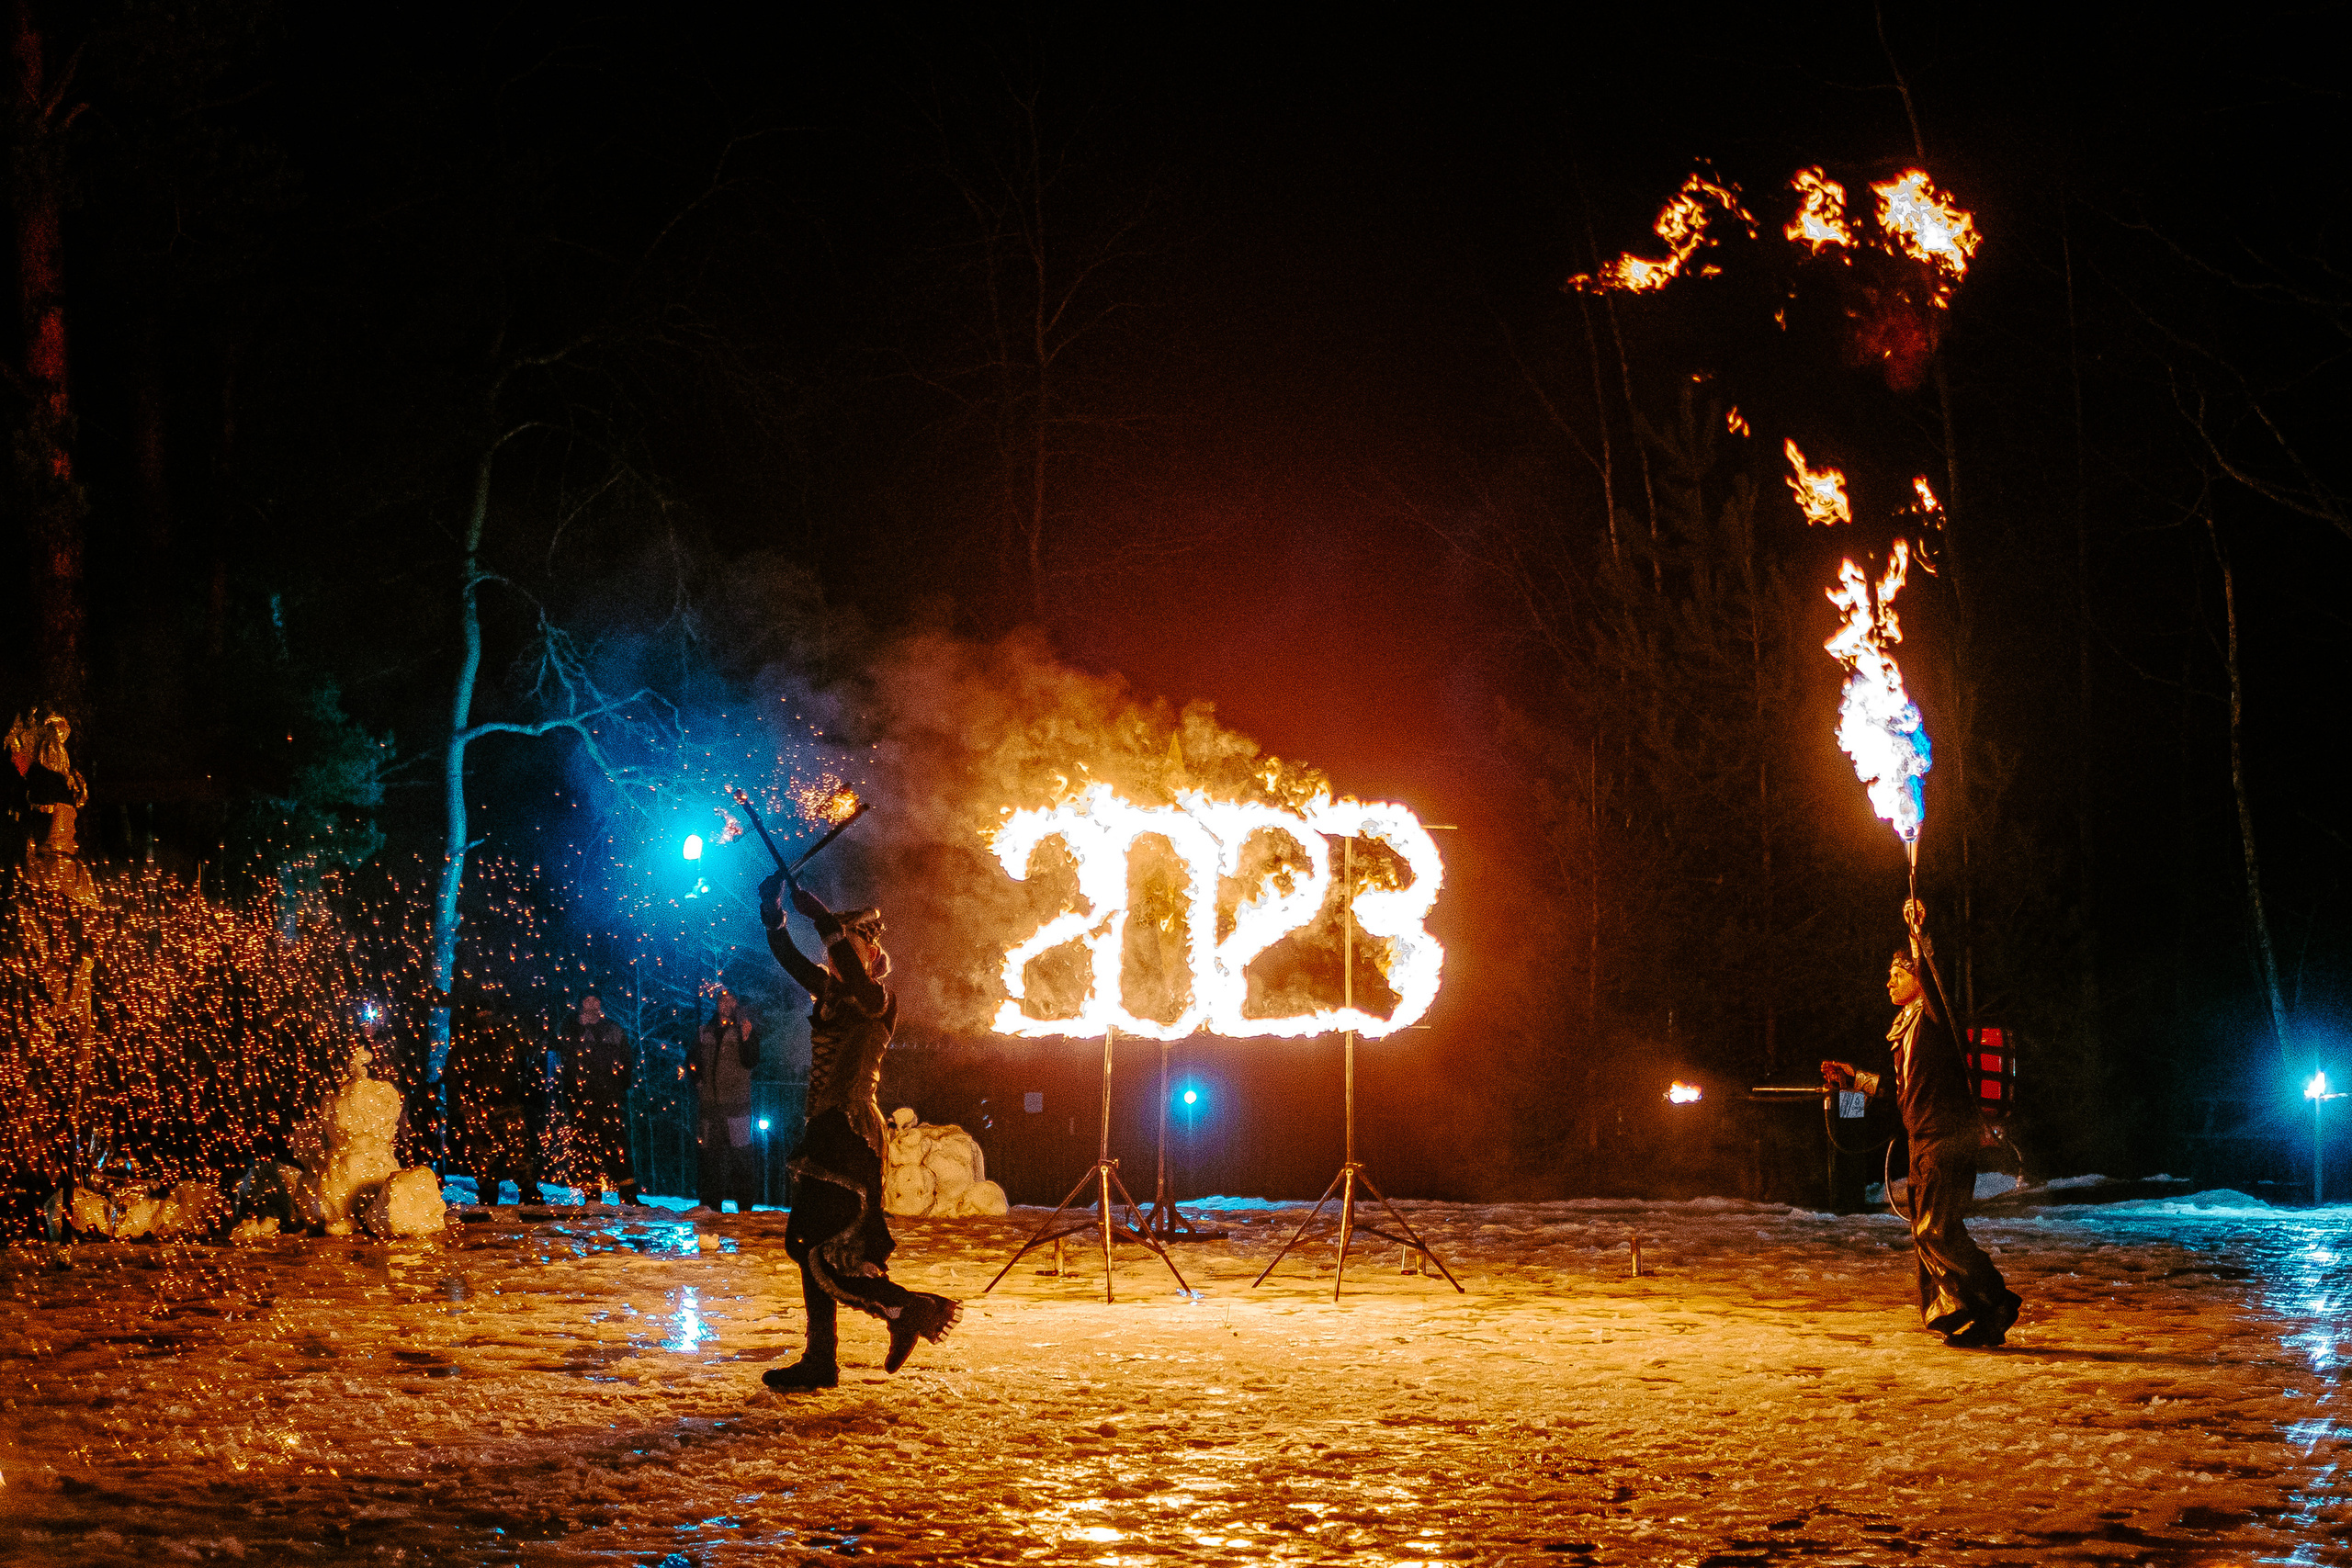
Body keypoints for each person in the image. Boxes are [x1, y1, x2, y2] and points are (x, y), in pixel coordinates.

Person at [758, 868, 957, 1390]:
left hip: (849, 1133)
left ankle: (907, 1310)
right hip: (826, 1131)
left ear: (870, 953)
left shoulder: (879, 1000)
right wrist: (773, 914)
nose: (834, 955)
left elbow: (855, 979)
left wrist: (824, 918)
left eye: (847, 946)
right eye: (835, 947)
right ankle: (823, 1357)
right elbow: (790, 959)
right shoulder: (828, 990)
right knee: (812, 1245)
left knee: (823, 1246)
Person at [1822, 899, 2021, 1348]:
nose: (1888, 980)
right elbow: (1898, 1089)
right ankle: (1969, 1318)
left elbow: (1934, 981)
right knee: (1927, 1232)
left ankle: (1995, 1301)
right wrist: (1855, 1080)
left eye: (1898, 973)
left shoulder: (1933, 1021)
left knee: (1937, 1229)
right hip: (1922, 1141)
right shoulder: (1904, 1031)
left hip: (1946, 1140)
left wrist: (1918, 936)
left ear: (1917, 979)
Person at [444, 994, 544, 1205]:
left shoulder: (506, 1035)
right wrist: (460, 1105)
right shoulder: (464, 1041)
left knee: (519, 1152)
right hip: (477, 1107)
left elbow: (530, 1047)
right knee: (484, 1156)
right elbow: (453, 1073)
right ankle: (488, 1194)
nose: (485, 1016)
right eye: (480, 1012)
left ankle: (528, 1191)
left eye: (488, 1012)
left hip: (508, 1103)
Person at [554, 993, 645, 1206]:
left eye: (596, 1000)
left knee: (617, 1147)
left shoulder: (613, 1030)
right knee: (586, 1148)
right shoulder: (570, 1030)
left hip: (609, 1100)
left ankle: (628, 1195)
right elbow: (559, 1051)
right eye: (587, 1000)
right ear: (580, 1005)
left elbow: (627, 1061)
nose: (592, 1004)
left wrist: (619, 1088)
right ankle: (592, 1197)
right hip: (580, 1100)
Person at [689, 987, 763, 1213]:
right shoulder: (704, 1031)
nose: (726, 1005)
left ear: (737, 1004)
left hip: (737, 1108)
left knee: (741, 1159)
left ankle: (745, 1207)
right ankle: (710, 1206)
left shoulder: (744, 1029)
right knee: (711, 1161)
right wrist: (697, 1081)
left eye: (731, 1000)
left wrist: (747, 1038)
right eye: (722, 1001)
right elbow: (691, 1060)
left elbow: (752, 1061)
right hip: (710, 1109)